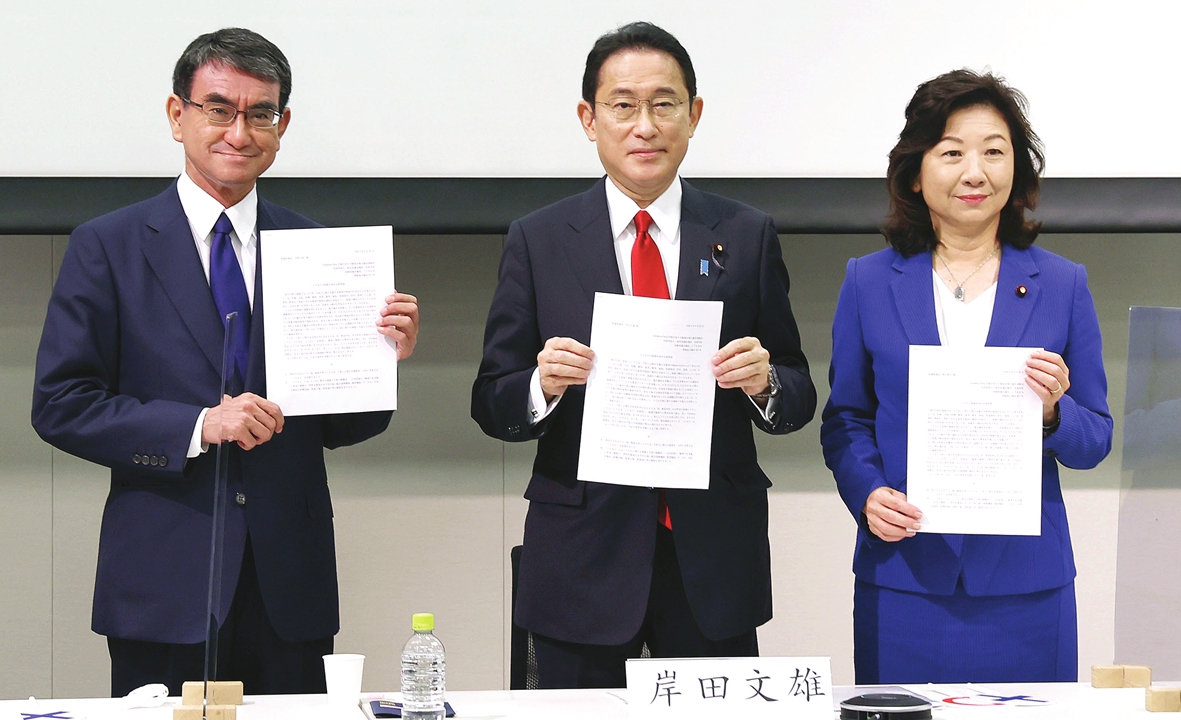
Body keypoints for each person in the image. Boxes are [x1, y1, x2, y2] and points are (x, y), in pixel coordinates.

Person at [31, 28, 419, 697]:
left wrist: (381, 359)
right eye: (218, 109)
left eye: (259, 113)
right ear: (177, 115)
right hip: (162, 583)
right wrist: (198, 425)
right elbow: (61, 404)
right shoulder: (108, 246)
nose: (239, 132)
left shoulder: (320, 250)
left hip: (287, 588)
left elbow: (345, 425)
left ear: (282, 124)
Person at [472, 22, 816, 689]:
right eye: (622, 105)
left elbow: (798, 390)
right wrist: (541, 385)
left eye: (664, 104)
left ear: (694, 116)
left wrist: (765, 381)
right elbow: (492, 399)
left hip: (711, 555)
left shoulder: (746, 235)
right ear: (588, 118)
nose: (645, 125)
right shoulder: (539, 240)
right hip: (582, 558)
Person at [821, 69, 1112, 684]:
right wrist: (869, 493)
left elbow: (1096, 440)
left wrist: (1054, 414)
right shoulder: (868, 281)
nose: (973, 172)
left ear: (1018, 171)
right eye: (951, 152)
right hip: (905, 580)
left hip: (1026, 586)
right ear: (917, 170)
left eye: (994, 152)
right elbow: (846, 419)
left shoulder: (1064, 283)